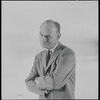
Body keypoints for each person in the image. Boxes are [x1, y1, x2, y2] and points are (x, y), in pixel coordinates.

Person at [25, 20, 76, 99]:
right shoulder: (38, 57)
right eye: (41, 34)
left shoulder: (67, 54)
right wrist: (45, 90)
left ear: (58, 36)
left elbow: (55, 82)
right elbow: (28, 82)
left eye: (48, 36)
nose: (43, 39)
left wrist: (38, 80)